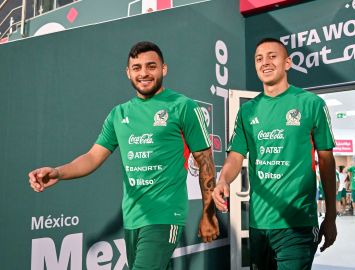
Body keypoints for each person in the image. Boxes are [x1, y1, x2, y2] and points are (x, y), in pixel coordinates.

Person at [28, 41, 219, 270]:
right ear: (128, 72)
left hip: (165, 215)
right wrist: (58, 172)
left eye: (151, 66)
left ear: (163, 69)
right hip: (132, 218)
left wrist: (209, 213)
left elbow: (205, 161)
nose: (144, 73)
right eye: (137, 68)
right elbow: (92, 157)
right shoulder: (119, 114)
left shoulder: (183, 107)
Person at [213, 37, 337, 270]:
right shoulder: (247, 111)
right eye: (259, 58)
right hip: (259, 224)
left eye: (272, 56)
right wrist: (223, 180)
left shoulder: (311, 104)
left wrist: (331, 216)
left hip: (297, 224)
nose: (265, 62)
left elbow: (327, 162)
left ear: (287, 63)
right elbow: (236, 156)